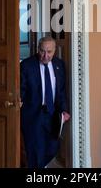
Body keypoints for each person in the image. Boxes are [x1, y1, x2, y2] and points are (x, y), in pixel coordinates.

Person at [20, 36, 71, 168]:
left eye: (49, 52)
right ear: (38, 49)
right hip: (33, 113)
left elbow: (61, 90)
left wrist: (64, 110)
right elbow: (22, 88)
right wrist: (19, 101)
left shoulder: (59, 65)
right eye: (42, 51)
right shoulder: (26, 65)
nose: (45, 55)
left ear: (54, 51)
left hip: (53, 113)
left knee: (53, 147)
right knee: (34, 150)